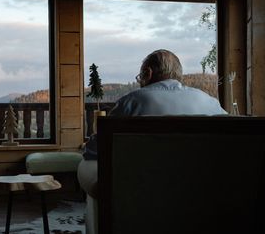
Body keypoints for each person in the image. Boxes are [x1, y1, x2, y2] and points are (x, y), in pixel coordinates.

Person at [83, 49, 227, 160]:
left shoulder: (131, 102)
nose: (140, 81)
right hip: (202, 184)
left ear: (148, 73)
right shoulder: (209, 102)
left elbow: (95, 150)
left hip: (140, 187)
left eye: (140, 77)